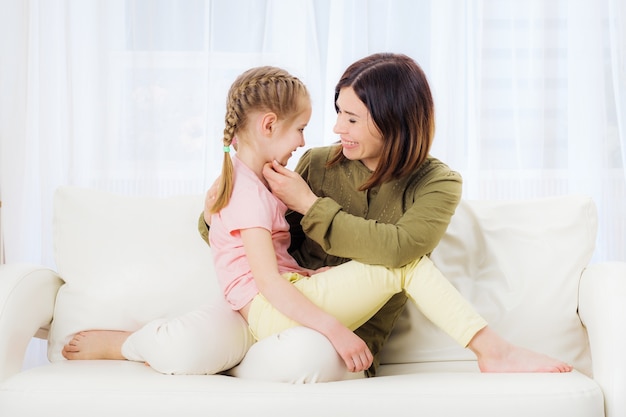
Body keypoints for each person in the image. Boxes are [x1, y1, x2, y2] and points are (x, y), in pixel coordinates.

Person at [63, 56, 572, 381]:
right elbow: (244, 236)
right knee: (232, 345)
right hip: (285, 307)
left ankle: (236, 359)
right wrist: (215, 203)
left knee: (306, 355)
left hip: (329, 329)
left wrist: (310, 207)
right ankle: (493, 350)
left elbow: (399, 250)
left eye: (350, 118)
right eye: (335, 112)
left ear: (391, 123)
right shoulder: (315, 164)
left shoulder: (438, 182)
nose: (333, 129)